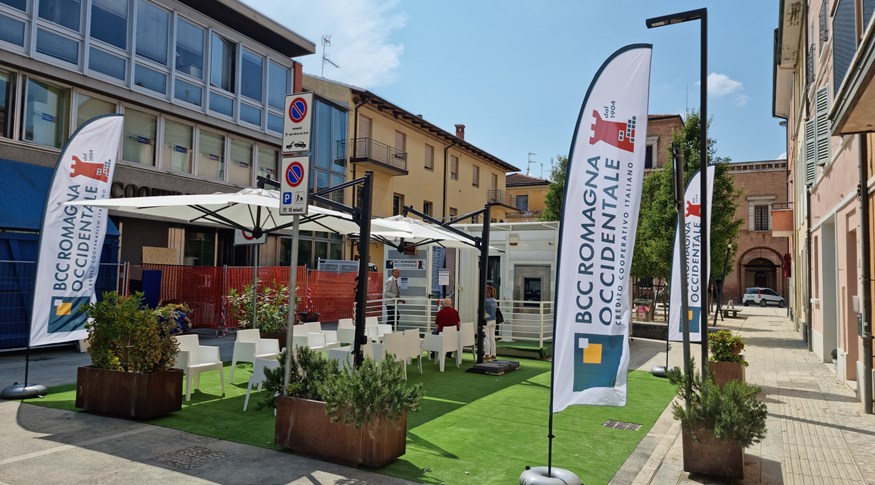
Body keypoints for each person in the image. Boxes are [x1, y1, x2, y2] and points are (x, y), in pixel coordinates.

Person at [484, 285, 498, 361]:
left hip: (487, 320)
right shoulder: (495, 301)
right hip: (494, 320)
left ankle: (487, 354)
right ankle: (493, 353)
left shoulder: (485, 301)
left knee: (486, 337)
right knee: (492, 337)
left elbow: (480, 310)